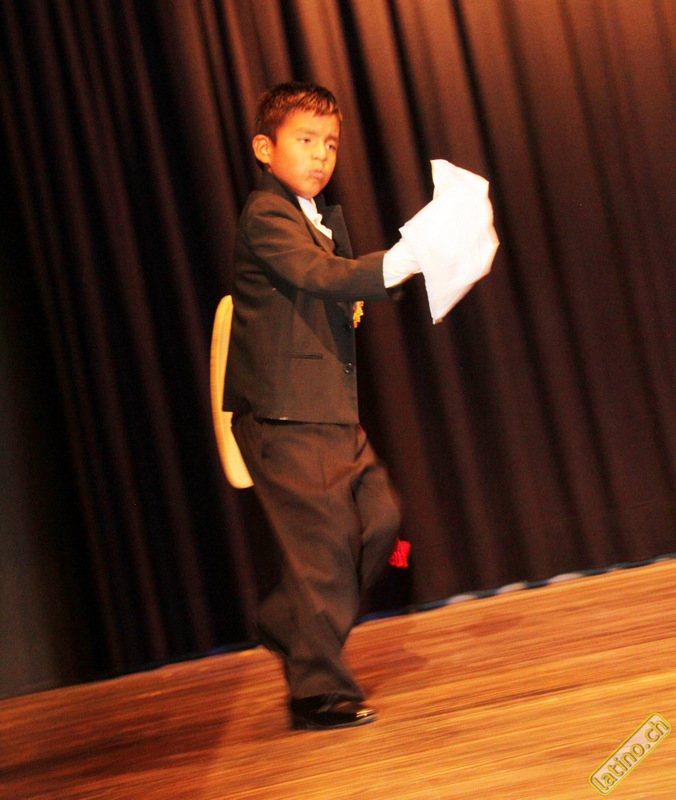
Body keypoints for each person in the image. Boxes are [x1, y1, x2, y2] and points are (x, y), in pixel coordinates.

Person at [224, 82, 418, 730]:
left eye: (330, 144)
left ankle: (286, 620)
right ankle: (317, 692)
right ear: (264, 148)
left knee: (383, 523)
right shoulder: (267, 214)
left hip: (329, 413)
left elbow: (336, 286)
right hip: (284, 416)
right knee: (323, 554)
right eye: (305, 140)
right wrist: (399, 263)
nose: (320, 154)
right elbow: (320, 275)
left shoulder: (321, 219)